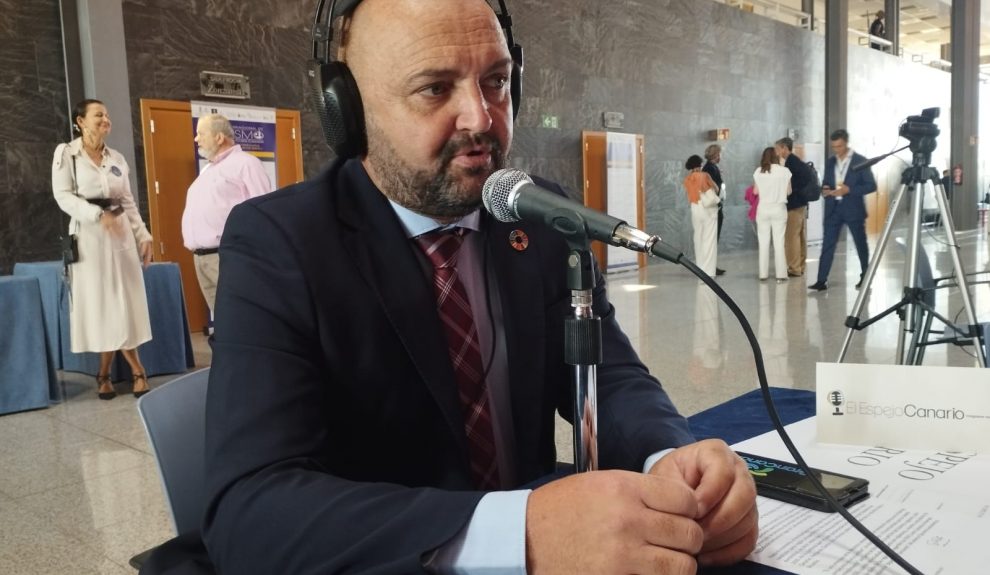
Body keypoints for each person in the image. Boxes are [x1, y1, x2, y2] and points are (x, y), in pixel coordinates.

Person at [141, 1, 759, 574]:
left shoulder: (537, 214)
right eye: (435, 88)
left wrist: (671, 458)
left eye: (496, 80)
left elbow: (609, 375)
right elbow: (250, 508)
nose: (481, 117)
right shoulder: (281, 243)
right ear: (349, 112)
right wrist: (516, 532)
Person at [52, 99, 154, 399]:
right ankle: (131, 371)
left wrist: (143, 235)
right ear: (80, 121)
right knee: (102, 306)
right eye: (99, 115)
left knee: (123, 304)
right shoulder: (66, 154)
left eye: (107, 115)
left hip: (120, 237)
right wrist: (97, 215)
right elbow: (63, 196)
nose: (105, 119)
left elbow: (128, 202)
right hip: (89, 238)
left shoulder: (117, 159)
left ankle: (108, 374)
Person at [182, 113, 272, 316]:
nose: (196, 139)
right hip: (202, 258)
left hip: (227, 255)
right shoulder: (208, 169)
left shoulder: (246, 163)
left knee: (242, 317)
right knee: (222, 322)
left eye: (200, 134)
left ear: (219, 137)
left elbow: (263, 210)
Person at [809, 129, 877, 291]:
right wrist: (825, 190)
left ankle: (865, 277)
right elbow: (827, 181)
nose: (836, 150)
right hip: (833, 209)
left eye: (839, 146)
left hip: (853, 209)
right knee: (827, 245)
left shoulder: (861, 161)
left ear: (846, 143)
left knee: (860, 244)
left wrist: (850, 190)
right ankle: (821, 280)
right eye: (834, 147)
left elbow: (871, 185)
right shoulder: (830, 162)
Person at [752, 147, 792, 283]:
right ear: (776, 156)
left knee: (763, 242)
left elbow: (755, 192)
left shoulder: (758, 171)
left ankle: (763, 274)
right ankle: (781, 274)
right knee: (779, 242)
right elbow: (789, 192)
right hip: (779, 209)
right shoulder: (785, 171)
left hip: (763, 209)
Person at [775, 137, 811, 277]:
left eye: (778, 149)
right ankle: (800, 266)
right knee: (800, 235)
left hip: (794, 204)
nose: (777, 152)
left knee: (791, 237)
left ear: (784, 148)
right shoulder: (796, 161)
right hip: (801, 203)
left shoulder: (791, 163)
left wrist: (791, 191)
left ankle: (794, 268)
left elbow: (796, 182)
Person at [684, 154, 721, 279]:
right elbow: (715, 189)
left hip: (695, 209)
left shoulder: (687, 179)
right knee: (709, 240)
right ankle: (709, 272)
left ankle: (700, 270)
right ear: (700, 164)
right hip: (707, 210)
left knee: (698, 238)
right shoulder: (704, 175)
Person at [702, 144, 727, 275]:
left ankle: (710, 266)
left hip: (712, 207)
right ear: (716, 154)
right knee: (712, 239)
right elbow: (712, 188)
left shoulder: (709, 167)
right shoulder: (710, 168)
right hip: (713, 208)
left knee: (711, 239)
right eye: (720, 154)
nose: (720, 156)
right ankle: (710, 267)